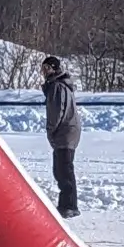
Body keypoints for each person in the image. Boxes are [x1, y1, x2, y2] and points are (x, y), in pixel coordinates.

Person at [41, 54, 81, 216]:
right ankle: (67, 204)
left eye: (46, 68)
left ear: (53, 69)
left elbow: (56, 112)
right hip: (68, 131)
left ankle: (69, 205)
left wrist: (51, 130)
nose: (43, 72)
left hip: (65, 132)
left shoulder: (57, 87)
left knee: (63, 169)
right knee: (61, 169)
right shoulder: (60, 85)